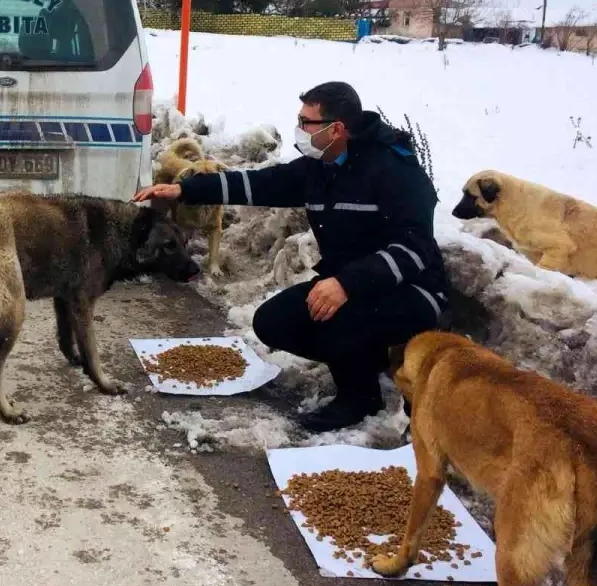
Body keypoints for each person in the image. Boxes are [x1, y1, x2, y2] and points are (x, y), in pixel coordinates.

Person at [134, 81, 450, 433]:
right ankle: (365, 358)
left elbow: (415, 249)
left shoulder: (395, 171)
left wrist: (347, 283)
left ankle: (359, 397)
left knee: (338, 317)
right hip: (347, 284)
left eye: (306, 122)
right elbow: (260, 183)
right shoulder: (321, 165)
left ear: (337, 128)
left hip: (412, 290)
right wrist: (184, 189)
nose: (298, 130)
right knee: (273, 321)